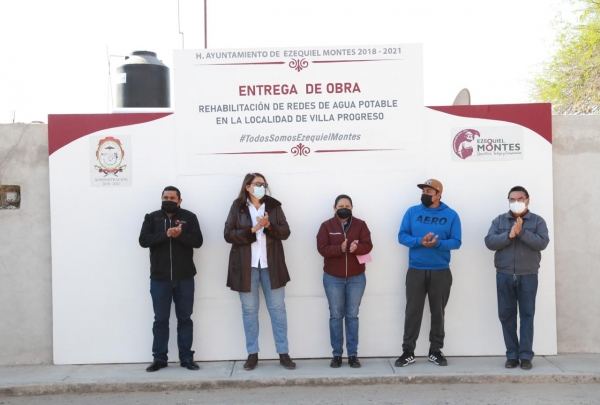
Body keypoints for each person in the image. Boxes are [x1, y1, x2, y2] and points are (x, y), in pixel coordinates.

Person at [224, 173, 296, 370]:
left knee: (278, 310)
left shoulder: (273, 206)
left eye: (263, 184)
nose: (261, 186)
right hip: (245, 266)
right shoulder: (237, 206)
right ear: (247, 187)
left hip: (271, 265)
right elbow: (228, 234)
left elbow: (286, 232)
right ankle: (252, 354)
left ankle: (283, 353)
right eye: (257, 184)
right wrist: (253, 229)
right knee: (249, 311)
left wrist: (269, 226)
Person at [396, 179, 461, 367]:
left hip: (440, 271)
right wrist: (419, 241)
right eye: (423, 190)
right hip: (416, 270)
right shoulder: (412, 212)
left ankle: (435, 351)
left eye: (429, 191)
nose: (425, 194)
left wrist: (438, 243)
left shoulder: (451, 215)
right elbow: (402, 236)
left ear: (439, 194)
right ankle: (408, 351)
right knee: (412, 312)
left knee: (438, 313)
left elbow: (456, 241)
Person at [484, 186, 549, 370]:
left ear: (528, 200)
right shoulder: (499, 220)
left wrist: (521, 232)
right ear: (509, 201)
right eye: (512, 199)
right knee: (507, 315)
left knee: (527, 315)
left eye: (520, 198)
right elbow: (489, 241)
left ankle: (526, 355)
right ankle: (512, 355)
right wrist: (509, 235)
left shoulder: (537, 221)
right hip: (504, 274)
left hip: (528, 274)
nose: (516, 202)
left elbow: (542, 243)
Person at [139, 186, 203, 372]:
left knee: (185, 319)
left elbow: (197, 241)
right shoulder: (151, 217)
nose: (169, 199)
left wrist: (180, 235)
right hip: (160, 279)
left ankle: (186, 358)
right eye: (166, 197)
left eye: (173, 197)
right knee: (160, 320)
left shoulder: (189, 217)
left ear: (179, 200)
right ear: (161, 198)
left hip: (185, 278)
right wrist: (166, 234)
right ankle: (159, 359)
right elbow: (143, 240)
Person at [317, 194, 373, 368]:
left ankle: (353, 355)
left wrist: (357, 248)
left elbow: (368, 245)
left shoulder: (360, 225)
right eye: (341, 205)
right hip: (333, 278)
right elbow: (322, 248)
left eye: (348, 206)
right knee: (335, 316)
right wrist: (339, 249)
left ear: (352, 208)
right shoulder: (326, 226)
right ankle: (337, 355)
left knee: (352, 316)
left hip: (356, 278)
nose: (344, 208)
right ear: (334, 208)